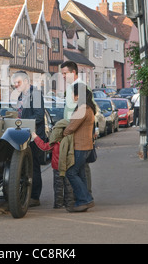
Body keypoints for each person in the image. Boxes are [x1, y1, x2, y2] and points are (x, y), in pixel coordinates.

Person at [12, 71, 45, 207]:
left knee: (34, 167)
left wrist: (22, 122)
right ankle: (26, 195)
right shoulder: (21, 95)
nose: (15, 85)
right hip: (24, 135)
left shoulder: (35, 94)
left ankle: (35, 197)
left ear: (26, 81)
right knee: (25, 168)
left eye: (18, 82)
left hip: (34, 136)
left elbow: (39, 115)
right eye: (14, 83)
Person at [62, 83, 96, 212]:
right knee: (81, 174)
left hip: (80, 147)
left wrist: (62, 133)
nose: (71, 96)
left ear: (78, 95)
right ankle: (83, 202)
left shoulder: (83, 108)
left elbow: (72, 127)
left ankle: (85, 199)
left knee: (71, 172)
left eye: (73, 93)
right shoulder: (88, 107)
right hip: (86, 146)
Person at [31, 119, 74, 209]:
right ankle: (69, 203)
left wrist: (35, 137)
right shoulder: (72, 142)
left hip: (57, 167)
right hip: (69, 167)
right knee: (69, 187)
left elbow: (43, 146)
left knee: (58, 187)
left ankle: (58, 204)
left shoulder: (54, 143)